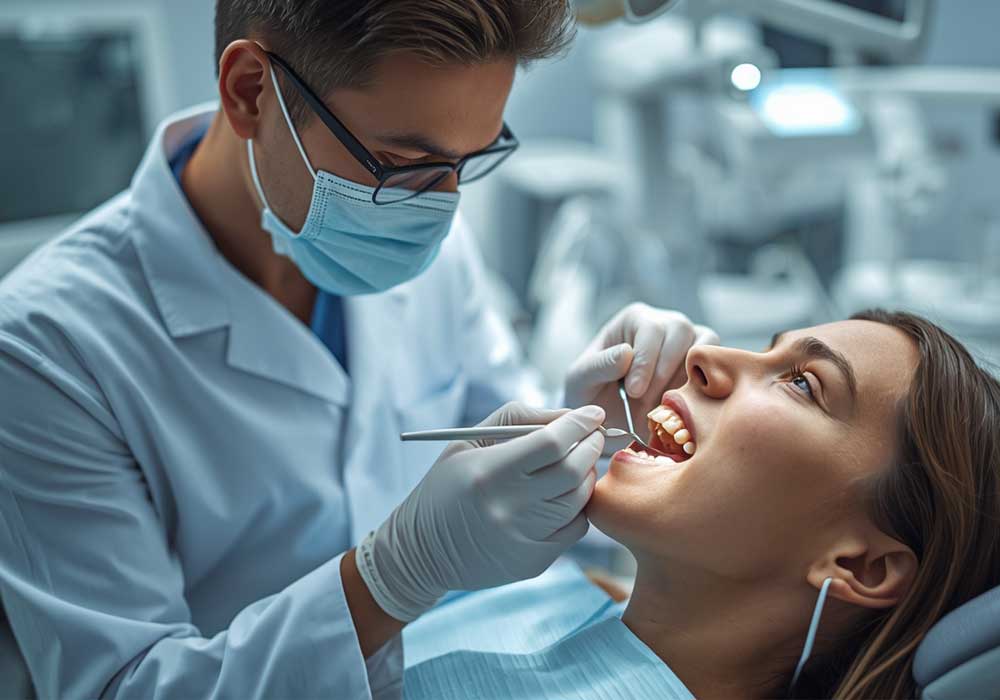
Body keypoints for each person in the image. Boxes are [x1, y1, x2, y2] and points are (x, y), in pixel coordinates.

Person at [0, 2, 716, 698]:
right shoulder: (46, 349)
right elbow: (126, 687)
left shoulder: (424, 234)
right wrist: (390, 577)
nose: (439, 208)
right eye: (399, 163)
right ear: (251, 91)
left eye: (468, 162)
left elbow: (492, 444)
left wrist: (581, 427)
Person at [400, 310, 1000, 700]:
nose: (705, 358)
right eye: (769, 348)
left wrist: (389, 577)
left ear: (860, 567)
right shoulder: (576, 597)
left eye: (803, 384)